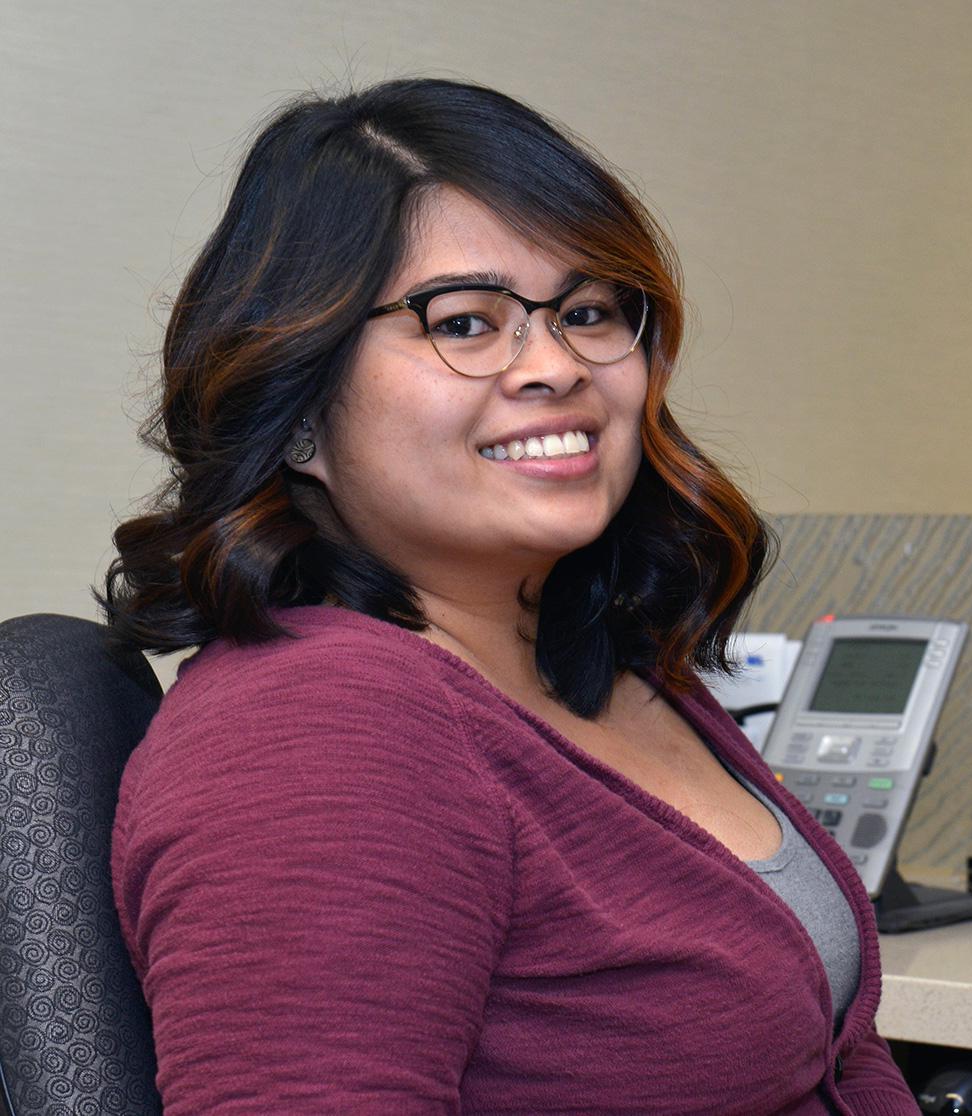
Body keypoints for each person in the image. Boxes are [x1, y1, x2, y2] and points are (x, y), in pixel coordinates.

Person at [102, 78, 919, 1115]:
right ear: (298, 411)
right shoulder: (322, 728)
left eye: (586, 311)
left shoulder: (606, 660)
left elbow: (841, 1063)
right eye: (466, 322)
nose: (555, 365)